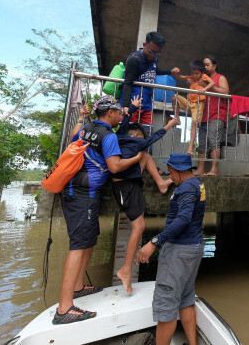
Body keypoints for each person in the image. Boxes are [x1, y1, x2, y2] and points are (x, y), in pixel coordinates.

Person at [53, 96, 143, 325]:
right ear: (110, 112)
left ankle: (78, 287)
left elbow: (72, 140)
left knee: (89, 241)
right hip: (84, 195)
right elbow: (114, 166)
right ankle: (64, 308)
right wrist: (137, 157)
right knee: (78, 245)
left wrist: (82, 118)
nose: (120, 116)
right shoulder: (108, 135)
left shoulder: (87, 128)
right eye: (118, 112)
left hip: (77, 191)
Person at [112, 95, 181, 293]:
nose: (143, 142)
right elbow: (156, 136)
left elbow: (124, 123)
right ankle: (125, 270)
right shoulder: (136, 144)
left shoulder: (120, 137)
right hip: (125, 187)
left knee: (146, 155)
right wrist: (169, 125)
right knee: (139, 226)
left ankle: (160, 183)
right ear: (135, 137)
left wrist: (132, 108)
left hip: (132, 185)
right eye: (141, 139)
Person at [136, 153, 206, 345]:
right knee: (185, 298)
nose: (170, 175)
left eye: (172, 171)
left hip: (179, 251)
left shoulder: (186, 188)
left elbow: (183, 219)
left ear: (182, 171)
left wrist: (155, 241)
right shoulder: (197, 183)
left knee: (166, 306)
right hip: (193, 249)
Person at [120, 31, 180, 130]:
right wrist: (126, 106)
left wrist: (170, 71)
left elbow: (154, 70)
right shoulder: (134, 60)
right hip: (132, 105)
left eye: (157, 53)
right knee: (128, 138)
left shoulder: (154, 59)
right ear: (144, 45)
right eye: (151, 51)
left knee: (146, 138)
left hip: (147, 106)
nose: (153, 55)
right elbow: (127, 83)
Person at [195, 55, 229, 176]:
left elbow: (225, 92)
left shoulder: (220, 77)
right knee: (202, 143)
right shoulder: (204, 78)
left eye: (208, 65)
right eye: (204, 65)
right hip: (204, 115)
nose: (205, 67)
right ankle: (200, 169)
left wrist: (209, 86)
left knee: (214, 141)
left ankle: (214, 170)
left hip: (217, 114)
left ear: (215, 66)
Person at [172, 60, 215, 155]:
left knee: (194, 123)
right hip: (190, 102)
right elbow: (180, 77)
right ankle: (177, 118)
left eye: (196, 73)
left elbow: (212, 83)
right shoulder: (191, 78)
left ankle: (190, 147)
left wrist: (205, 89)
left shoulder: (204, 77)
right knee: (175, 97)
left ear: (202, 73)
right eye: (192, 73)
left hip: (198, 104)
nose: (194, 75)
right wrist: (177, 73)